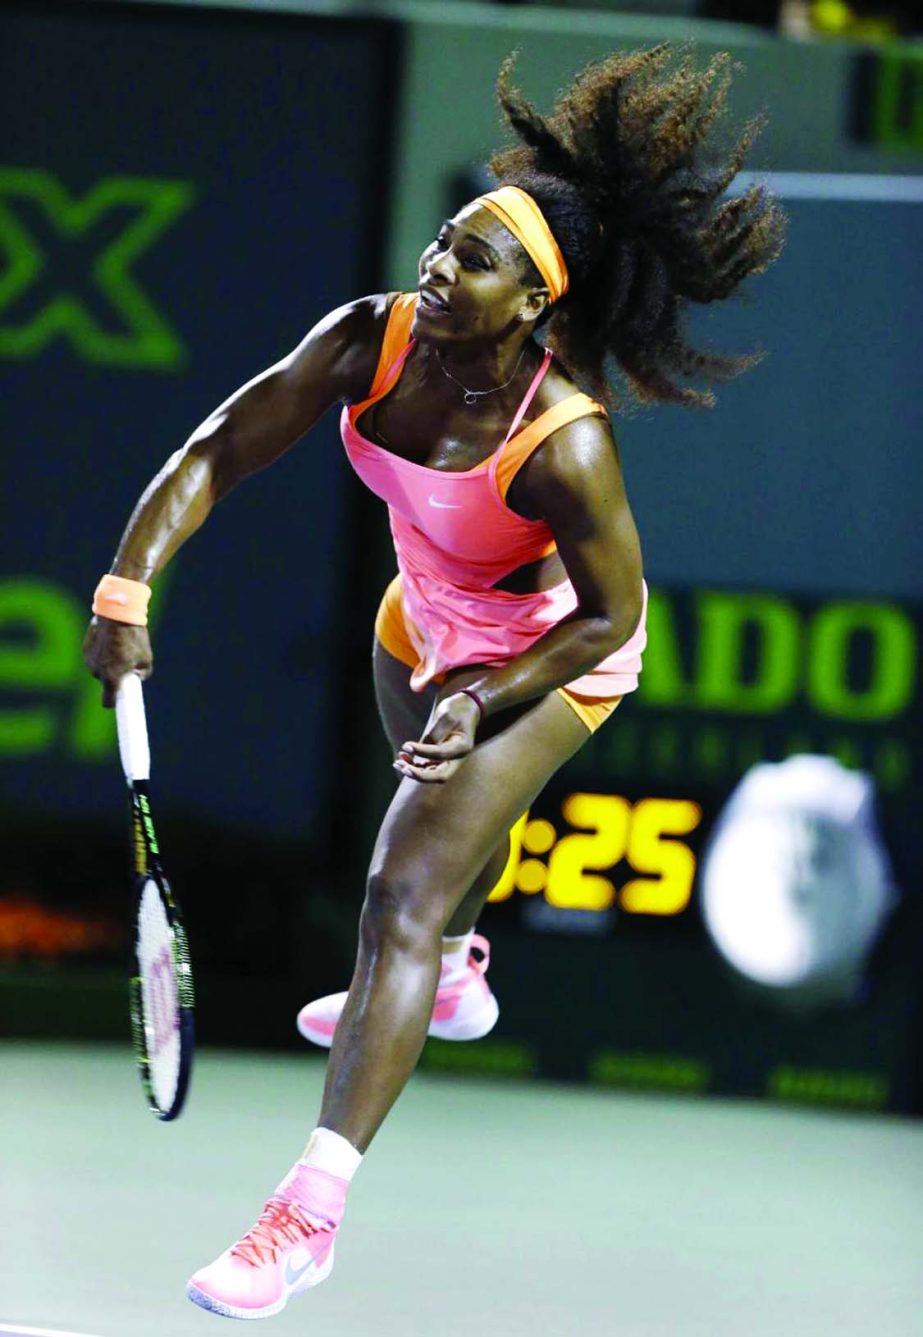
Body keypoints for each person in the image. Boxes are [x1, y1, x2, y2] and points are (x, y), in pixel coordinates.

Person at [84, 44, 784, 1320]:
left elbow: (618, 611)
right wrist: (128, 584)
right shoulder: (371, 337)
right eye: (448, 236)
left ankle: (305, 1215)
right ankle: (456, 967)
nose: (438, 263)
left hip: (547, 658)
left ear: (533, 303)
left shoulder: (563, 441)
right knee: (439, 882)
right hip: (415, 628)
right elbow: (220, 445)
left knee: (399, 889)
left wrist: (483, 697)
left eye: (474, 257)